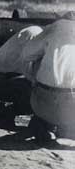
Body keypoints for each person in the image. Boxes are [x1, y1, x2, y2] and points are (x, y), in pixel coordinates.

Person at [20, 12, 75, 142]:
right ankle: (65, 128)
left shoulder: (54, 28)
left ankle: (47, 124)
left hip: (42, 104)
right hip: (71, 105)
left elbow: (26, 54)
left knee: (39, 58)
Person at [0, 25, 43, 129]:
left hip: (3, 77)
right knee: (38, 95)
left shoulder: (37, 32)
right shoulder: (35, 35)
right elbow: (28, 68)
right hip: (0, 81)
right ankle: (5, 113)